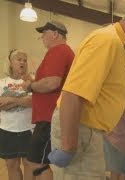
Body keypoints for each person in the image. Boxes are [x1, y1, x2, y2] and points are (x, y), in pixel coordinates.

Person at [48, 5, 125, 180]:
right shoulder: (107, 41)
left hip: (90, 131)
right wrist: (69, 146)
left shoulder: (119, 46)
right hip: (80, 130)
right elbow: (72, 94)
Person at [21, 21, 75, 179]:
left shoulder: (57, 50)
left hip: (49, 117)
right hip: (49, 116)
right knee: (37, 162)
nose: (42, 38)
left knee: (36, 162)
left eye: (43, 34)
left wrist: (30, 86)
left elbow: (52, 82)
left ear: (55, 34)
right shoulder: (63, 51)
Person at [0, 49, 34, 180]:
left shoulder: (32, 81)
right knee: (11, 165)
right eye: (19, 59)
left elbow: (33, 102)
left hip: (28, 129)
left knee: (29, 164)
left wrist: (10, 99)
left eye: (25, 60)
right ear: (10, 63)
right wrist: (22, 100)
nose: (23, 62)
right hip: (7, 130)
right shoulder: (2, 83)